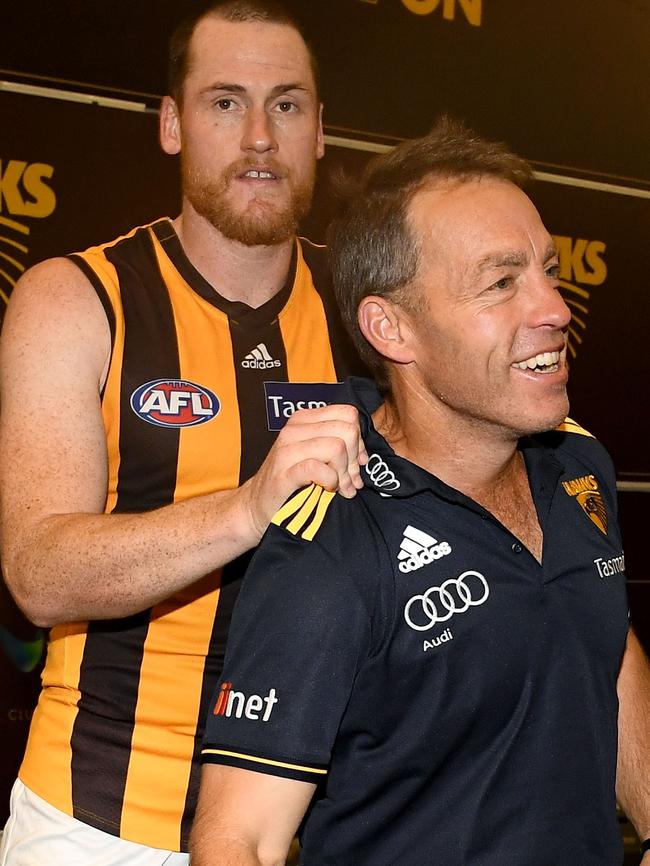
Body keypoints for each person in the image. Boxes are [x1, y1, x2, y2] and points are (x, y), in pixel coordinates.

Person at [191, 117, 650, 865]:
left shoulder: (580, 463)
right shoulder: (332, 534)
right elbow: (237, 839)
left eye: (549, 271)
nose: (555, 310)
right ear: (391, 329)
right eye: (502, 283)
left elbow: (602, 641)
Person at [0, 2, 368, 863]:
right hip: (101, 824)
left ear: (321, 132)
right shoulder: (75, 298)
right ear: (171, 124)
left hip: (313, 822)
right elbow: (39, 572)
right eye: (224, 102)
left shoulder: (370, 312)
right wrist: (246, 509)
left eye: (287, 105)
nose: (260, 138)